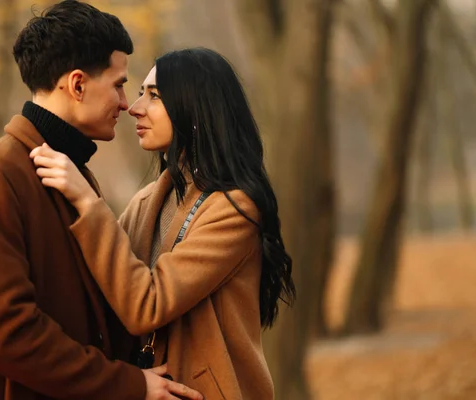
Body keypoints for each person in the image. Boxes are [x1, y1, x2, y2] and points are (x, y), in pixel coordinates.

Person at [0, 1, 202, 399]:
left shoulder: (70, 176)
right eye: (118, 84)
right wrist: (128, 385)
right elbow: (4, 334)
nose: (126, 103)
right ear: (77, 85)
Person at [30, 47, 296, 400]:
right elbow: (105, 285)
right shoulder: (146, 202)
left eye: (153, 96)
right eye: (140, 93)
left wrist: (87, 202)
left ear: (194, 107)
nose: (135, 107)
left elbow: (147, 305)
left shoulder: (234, 210)